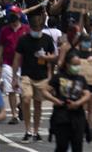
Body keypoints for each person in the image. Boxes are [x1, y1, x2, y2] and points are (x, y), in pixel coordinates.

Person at [13, 12, 57, 142]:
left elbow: (54, 57)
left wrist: (46, 60)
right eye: (34, 28)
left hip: (42, 76)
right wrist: (14, 77)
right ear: (30, 27)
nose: (36, 31)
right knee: (26, 98)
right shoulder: (23, 39)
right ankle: (27, 129)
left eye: (39, 28)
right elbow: (17, 59)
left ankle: (36, 132)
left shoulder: (47, 39)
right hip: (26, 75)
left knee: (38, 104)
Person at [44, 52, 91, 152]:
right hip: (62, 116)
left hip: (78, 116)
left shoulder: (81, 79)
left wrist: (77, 103)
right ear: (67, 64)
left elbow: (87, 94)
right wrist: (55, 100)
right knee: (62, 146)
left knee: (77, 146)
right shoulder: (58, 77)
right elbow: (44, 91)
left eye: (78, 65)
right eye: (74, 65)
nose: (77, 67)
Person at [0, 6, 26, 126]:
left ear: (19, 15)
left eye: (15, 13)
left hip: (23, 64)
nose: (13, 16)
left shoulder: (25, 29)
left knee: (24, 91)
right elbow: (1, 47)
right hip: (8, 63)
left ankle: (22, 106)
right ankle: (14, 114)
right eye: (11, 14)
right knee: (11, 89)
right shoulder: (5, 30)